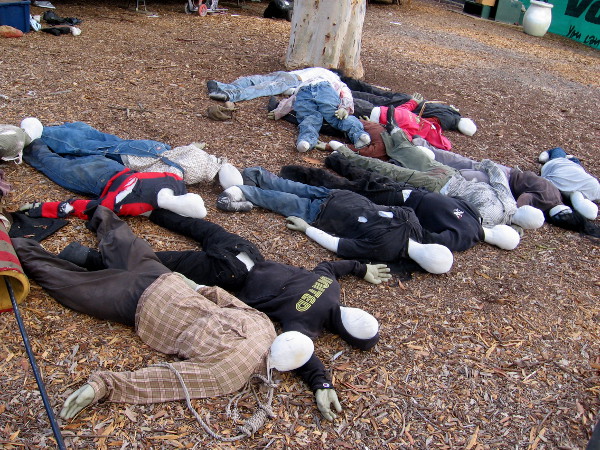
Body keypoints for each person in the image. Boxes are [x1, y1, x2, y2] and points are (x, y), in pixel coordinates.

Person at [58, 208, 393, 421]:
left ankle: (149, 209)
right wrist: (321, 383)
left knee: (200, 228)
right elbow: (298, 353)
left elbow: (331, 266)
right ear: (342, 334)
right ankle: (85, 258)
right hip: (227, 275)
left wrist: (360, 268)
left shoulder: (329, 285)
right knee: (157, 263)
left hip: (247, 252)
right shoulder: (303, 322)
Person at [11, 206, 316, 426]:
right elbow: (167, 379)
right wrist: (101, 387)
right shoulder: (235, 366)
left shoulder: (258, 334)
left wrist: (104, 386)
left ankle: (67, 220)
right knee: (67, 278)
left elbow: (167, 379)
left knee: (108, 245)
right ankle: (21, 241)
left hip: (151, 289)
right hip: (147, 293)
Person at [217, 166, 454, 275]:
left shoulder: (411, 223)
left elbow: (392, 209)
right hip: (328, 213)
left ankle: (252, 178)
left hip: (340, 200)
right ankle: (243, 188)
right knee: (283, 198)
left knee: (288, 190)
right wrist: (307, 229)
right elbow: (338, 245)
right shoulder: (389, 246)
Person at [324, 123, 545, 230]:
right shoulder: (495, 217)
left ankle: (392, 135)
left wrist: (483, 164)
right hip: (443, 185)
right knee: (396, 169)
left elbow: (497, 174)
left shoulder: (505, 202)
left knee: (409, 159)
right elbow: (463, 214)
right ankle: (347, 152)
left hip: (449, 178)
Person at [279, 158, 520, 251]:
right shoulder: (473, 218)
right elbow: (454, 203)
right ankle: (335, 160)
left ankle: (301, 174)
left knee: (358, 187)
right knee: (367, 180)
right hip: (412, 194)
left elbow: (426, 238)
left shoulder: (465, 237)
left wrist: (404, 216)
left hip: (404, 201)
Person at [20, 138, 208, 220]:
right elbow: (88, 207)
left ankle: (37, 137)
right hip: (96, 181)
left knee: (71, 151)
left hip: (114, 167)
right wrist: (42, 208)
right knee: (51, 164)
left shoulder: (174, 180)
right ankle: (24, 144)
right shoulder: (134, 203)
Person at [268, 69, 370, 152]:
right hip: (324, 89)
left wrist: (279, 111)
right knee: (335, 116)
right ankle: (360, 135)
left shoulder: (310, 80)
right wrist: (344, 107)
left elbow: (292, 100)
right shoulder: (336, 81)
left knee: (309, 118)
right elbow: (346, 94)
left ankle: (306, 141)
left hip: (303, 91)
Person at [538, 147, 599, 220]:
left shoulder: (594, 187)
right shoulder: (556, 185)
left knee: (558, 150)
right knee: (566, 158)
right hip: (565, 165)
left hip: (565, 165)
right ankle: (569, 157)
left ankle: (565, 156)